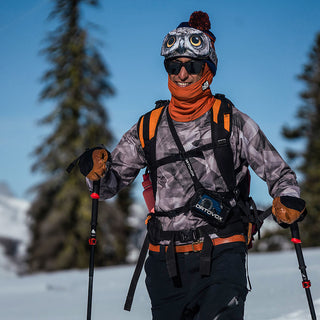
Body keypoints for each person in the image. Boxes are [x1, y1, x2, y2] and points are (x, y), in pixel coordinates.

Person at [77, 11, 306, 320]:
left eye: (191, 66)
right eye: (174, 66)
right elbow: (106, 185)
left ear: (208, 71)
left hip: (223, 253)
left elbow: (279, 173)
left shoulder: (231, 121)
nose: (182, 74)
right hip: (165, 264)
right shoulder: (149, 127)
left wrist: (286, 197)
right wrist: (95, 171)